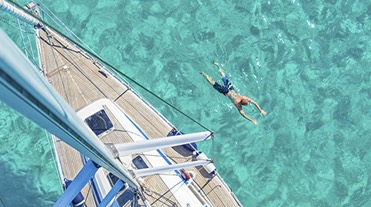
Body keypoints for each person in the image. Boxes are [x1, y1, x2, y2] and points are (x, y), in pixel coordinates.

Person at [201, 61, 266, 125]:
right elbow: (244, 114)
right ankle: (204, 74)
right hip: (225, 91)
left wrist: (261, 110)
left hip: (230, 88)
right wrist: (252, 120)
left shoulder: (244, 97)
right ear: (242, 104)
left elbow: (255, 102)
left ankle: (217, 65)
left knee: (224, 76)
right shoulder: (238, 104)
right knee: (213, 83)